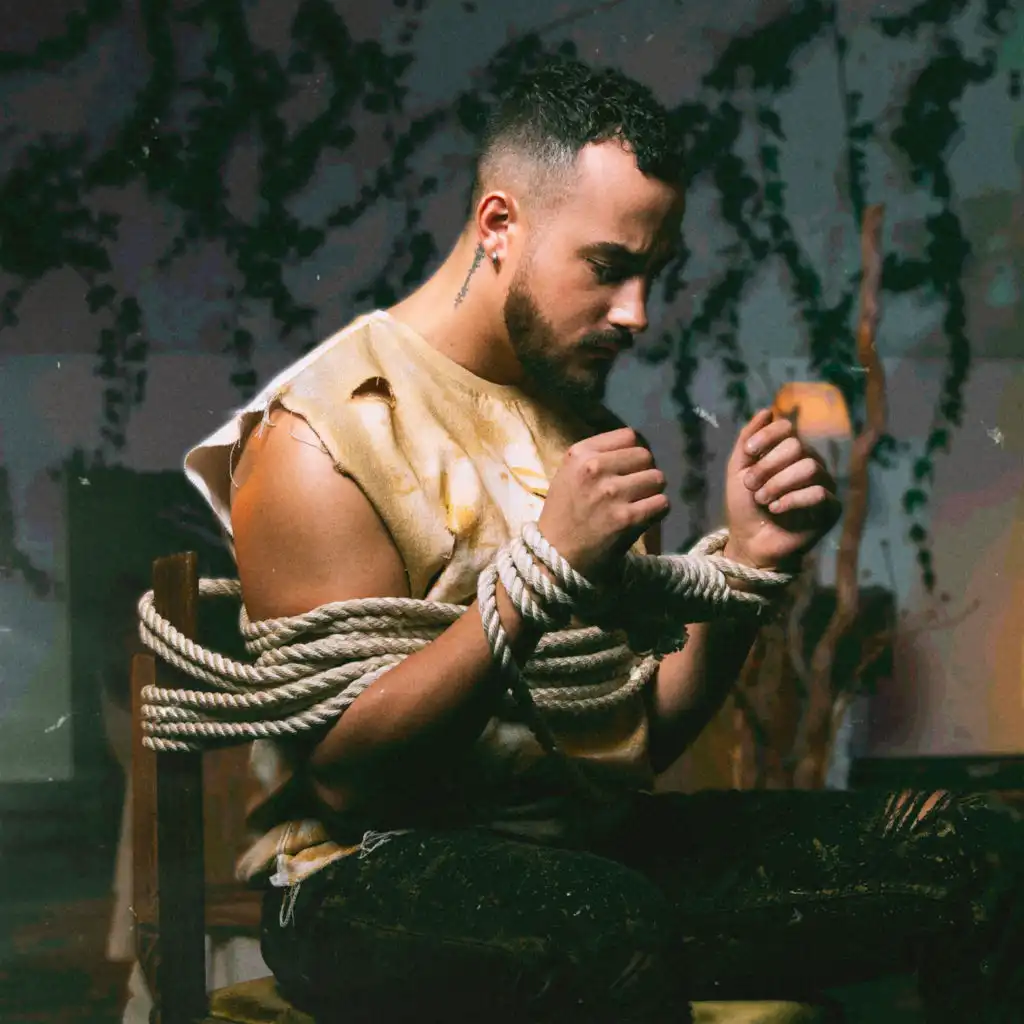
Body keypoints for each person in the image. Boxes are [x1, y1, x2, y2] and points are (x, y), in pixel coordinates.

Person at [184, 56, 1024, 1023]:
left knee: (978, 854)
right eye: (609, 268)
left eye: (654, 275)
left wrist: (752, 564)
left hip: (584, 861)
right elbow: (348, 780)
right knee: (606, 925)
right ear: (499, 224)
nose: (637, 314)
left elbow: (638, 742)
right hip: (358, 878)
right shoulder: (322, 438)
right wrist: (536, 578)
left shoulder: (586, 436)